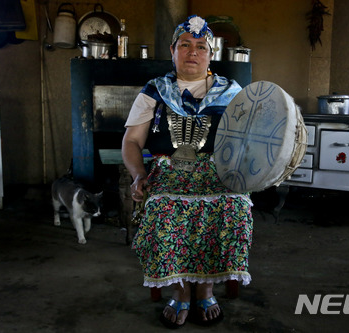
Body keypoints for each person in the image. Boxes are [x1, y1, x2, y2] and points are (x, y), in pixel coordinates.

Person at [121, 15, 253, 328]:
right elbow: (131, 142)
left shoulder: (232, 93)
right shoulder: (154, 91)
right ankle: (181, 291)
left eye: (200, 46)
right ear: (173, 50)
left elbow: (251, 144)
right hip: (169, 173)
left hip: (217, 175)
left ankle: (206, 288)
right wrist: (139, 175)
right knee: (165, 207)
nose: (192, 52)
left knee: (234, 205)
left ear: (210, 54)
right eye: (185, 45)